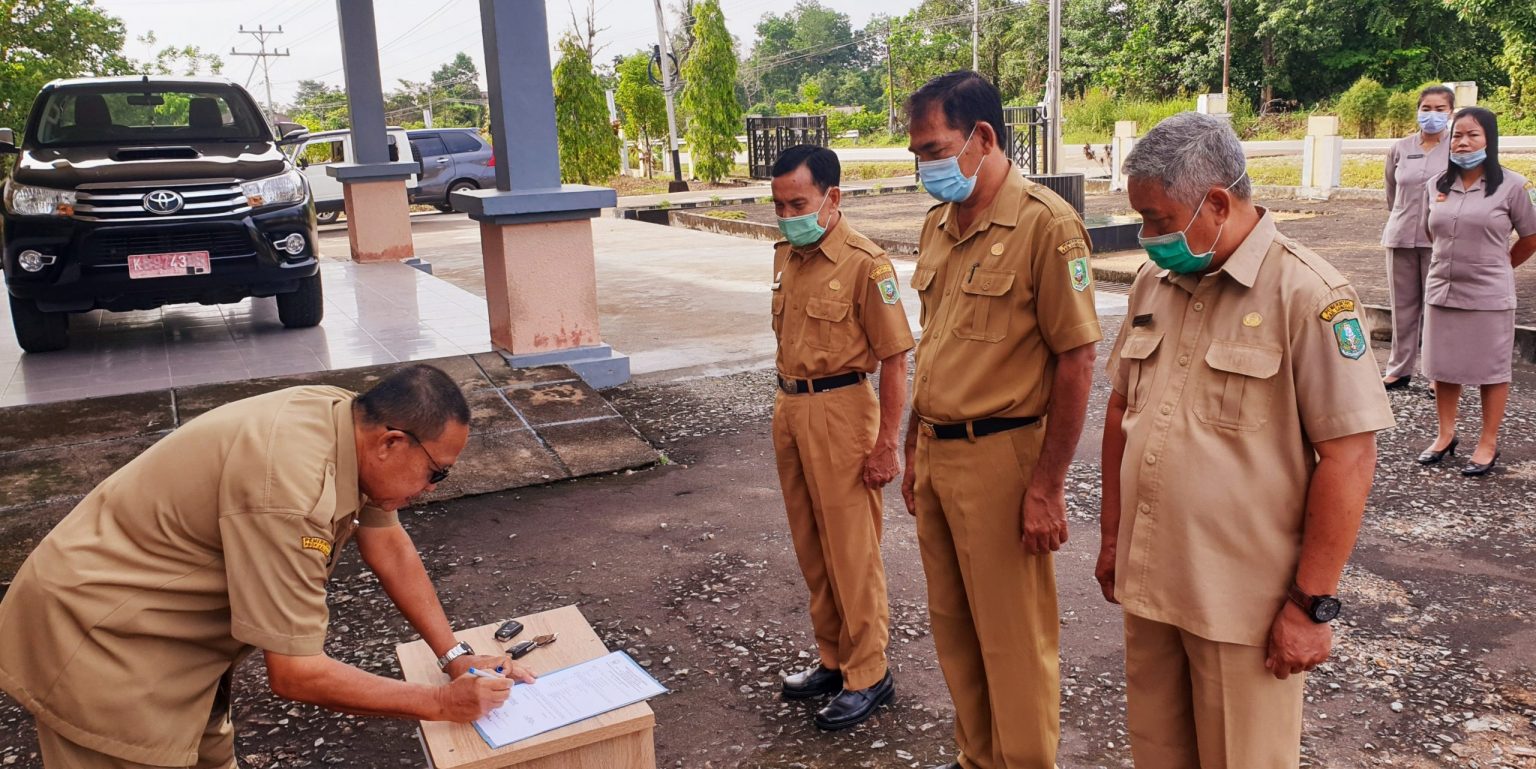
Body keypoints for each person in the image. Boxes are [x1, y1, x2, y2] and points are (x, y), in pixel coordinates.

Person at [0, 364, 534, 769]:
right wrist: (439, 703)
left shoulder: (347, 422)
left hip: (175, 644)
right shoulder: (288, 491)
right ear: (391, 442)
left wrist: (454, 656)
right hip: (100, 638)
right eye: (437, 473)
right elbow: (297, 673)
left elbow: (387, 542)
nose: (433, 488)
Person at [1099, 112, 1396, 769]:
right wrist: (1113, 538)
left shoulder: (1309, 294)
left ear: (1216, 203)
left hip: (1243, 609)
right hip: (1151, 585)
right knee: (1157, 755)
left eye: (1157, 219)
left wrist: (1310, 606)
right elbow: (1122, 407)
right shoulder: (1154, 282)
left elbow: (1350, 457)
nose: (1147, 238)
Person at [900, 71, 1101, 769]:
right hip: (938, 452)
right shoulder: (938, 225)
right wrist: (912, 448)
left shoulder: (1047, 225)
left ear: (982, 137)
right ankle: (977, 757)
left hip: (1003, 458)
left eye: (934, 149)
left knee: (1013, 639)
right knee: (955, 627)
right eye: (916, 154)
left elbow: (1077, 360)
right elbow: (933, 345)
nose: (924, 167)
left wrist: (1048, 486)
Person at [767, 144, 915, 731]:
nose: (787, 216)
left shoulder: (866, 264)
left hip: (843, 410)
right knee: (812, 545)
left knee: (852, 552)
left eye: (797, 204)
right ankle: (833, 659)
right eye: (779, 205)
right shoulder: (786, 255)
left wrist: (886, 444)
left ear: (833, 198)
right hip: (790, 406)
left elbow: (896, 359)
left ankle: (869, 674)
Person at [1418, 106, 1536, 475]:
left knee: (1492, 369)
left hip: (1489, 295)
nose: (1463, 142)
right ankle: (1445, 435)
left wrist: (1500, 265)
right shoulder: (1436, 185)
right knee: (1443, 367)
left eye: (1473, 135)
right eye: (1457, 135)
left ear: (1490, 140)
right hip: (1442, 289)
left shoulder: (1513, 186)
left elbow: (1530, 237)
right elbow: (1431, 231)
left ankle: (1488, 442)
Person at [1380, 85, 1455, 389]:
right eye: (1426, 108)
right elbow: (1391, 191)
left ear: (1451, 113)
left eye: (1440, 109)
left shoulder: (1456, 149)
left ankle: (1439, 373)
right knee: (1402, 307)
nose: (1432, 115)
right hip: (1400, 236)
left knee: (1438, 307)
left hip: (1440, 240)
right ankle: (1399, 369)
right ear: (1418, 110)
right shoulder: (1400, 148)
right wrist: (1402, 215)